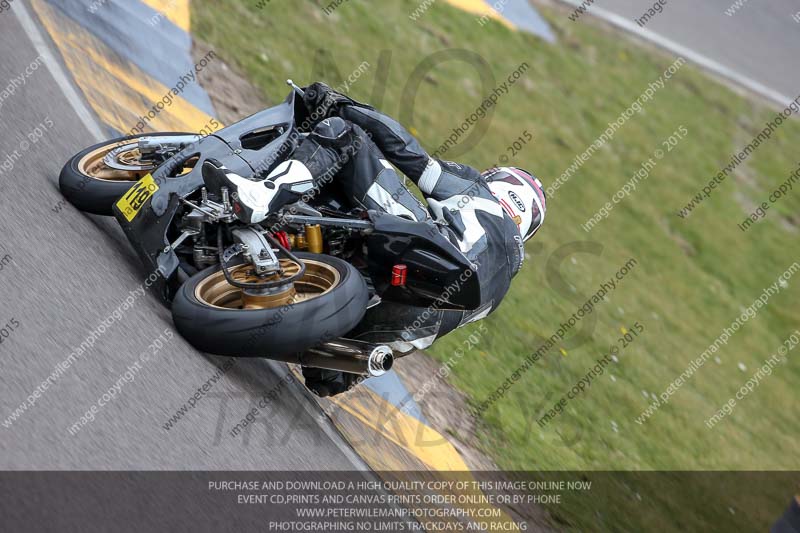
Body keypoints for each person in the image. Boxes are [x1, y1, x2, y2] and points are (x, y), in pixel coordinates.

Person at [202, 82, 547, 396]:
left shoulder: (479, 192)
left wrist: (344, 106)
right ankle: (337, 360)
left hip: (419, 255)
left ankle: (262, 198)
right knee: (327, 377)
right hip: (391, 329)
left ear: (499, 182)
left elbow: (410, 156)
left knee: (345, 136)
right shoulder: (499, 290)